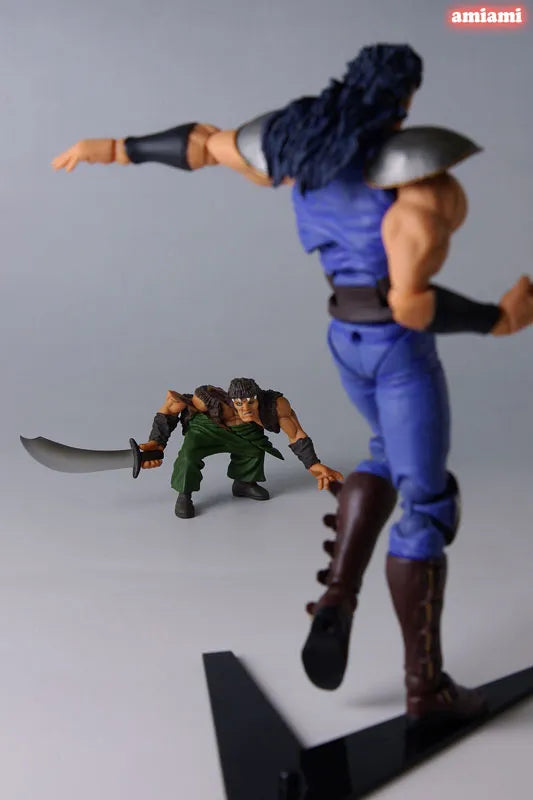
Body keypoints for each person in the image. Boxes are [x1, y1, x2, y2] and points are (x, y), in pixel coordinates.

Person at [52, 43, 533, 724]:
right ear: (404, 101)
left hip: (343, 338)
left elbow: (201, 144)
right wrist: (498, 320)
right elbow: (410, 305)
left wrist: (109, 149)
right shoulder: (413, 185)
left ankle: (337, 595)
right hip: (396, 349)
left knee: (382, 454)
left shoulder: (293, 145)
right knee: (427, 504)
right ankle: (426, 690)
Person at [140, 378, 343, 518]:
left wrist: (313, 464)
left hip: (243, 432)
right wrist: (157, 443)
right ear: (230, 400)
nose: (245, 408)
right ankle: (184, 494)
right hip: (207, 428)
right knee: (189, 454)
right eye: (238, 404)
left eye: (250, 402)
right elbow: (171, 404)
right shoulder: (209, 401)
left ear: (258, 398)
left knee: (254, 449)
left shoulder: (275, 405)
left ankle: (244, 483)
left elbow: (296, 433)